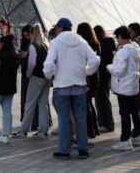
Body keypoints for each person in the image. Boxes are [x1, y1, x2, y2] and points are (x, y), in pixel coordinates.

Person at [43, 18, 100, 160]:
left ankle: (64, 151)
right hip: (80, 85)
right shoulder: (81, 41)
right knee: (80, 118)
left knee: (63, 119)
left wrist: (50, 75)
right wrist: (86, 71)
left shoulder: (55, 42)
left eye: (56, 27)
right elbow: (95, 60)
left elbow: (49, 64)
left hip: (62, 85)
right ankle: (83, 150)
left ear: (61, 27)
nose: (56, 29)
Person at [108, 26, 140, 151]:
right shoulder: (136, 48)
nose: (117, 41)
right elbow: (139, 65)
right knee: (134, 110)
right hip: (132, 84)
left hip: (123, 86)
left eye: (117, 38)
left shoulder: (123, 51)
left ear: (121, 37)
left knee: (124, 113)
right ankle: (138, 135)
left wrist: (109, 67)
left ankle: (125, 140)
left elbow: (119, 70)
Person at [14, 24, 51, 139]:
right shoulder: (46, 45)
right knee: (43, 104)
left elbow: (32, 63)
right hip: (46, 78)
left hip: (36, 78)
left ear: (32, 33)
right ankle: (43, 131)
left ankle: (23, 130)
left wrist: (28, 74)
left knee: (29, 104)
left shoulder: (33, 46)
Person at [77, 22, 101, 140]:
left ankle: (90, 130)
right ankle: (95, 129)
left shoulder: (83, 45)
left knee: (85, 104)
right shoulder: (96, 43)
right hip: (95, 76)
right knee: (89, 103)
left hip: (86, 77)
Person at [94, 25, 116, 133]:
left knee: (100, 100)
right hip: (107, 73)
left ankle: (105, 123)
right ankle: (105, 123)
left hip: (100, 73)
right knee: (104, 99)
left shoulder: (97, 43)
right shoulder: (110, 41)